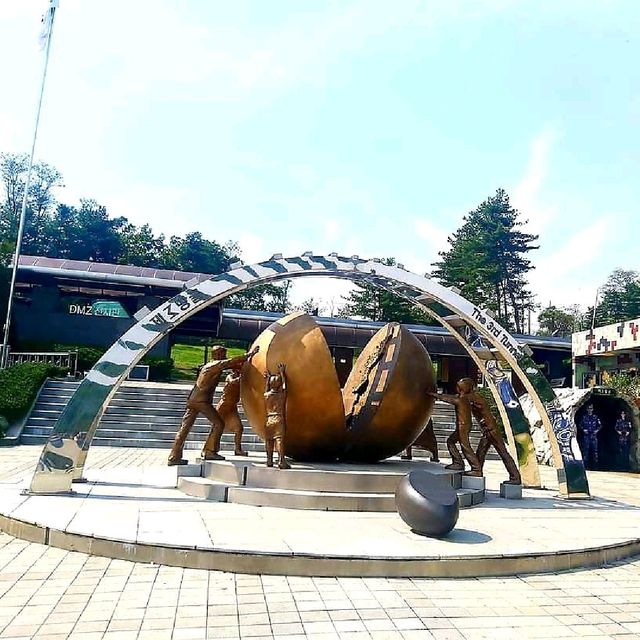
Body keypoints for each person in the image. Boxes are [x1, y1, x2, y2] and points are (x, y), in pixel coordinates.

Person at [168, 345, 259, 466]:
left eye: (224, 354)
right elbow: (229, 362)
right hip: (202, 401)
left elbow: (231, 364)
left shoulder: (210, 366)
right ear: (216, 355)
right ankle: (209, 451)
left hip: (193, 400)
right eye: (222, 354)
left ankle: (174, 456)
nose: (224, 356)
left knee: (184, 428)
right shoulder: (214, 365)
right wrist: (249, 354)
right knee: (219, 423)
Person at [467, 385, 521, 485]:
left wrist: (438, 396)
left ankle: (515, 477)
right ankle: (477, 470)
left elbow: (460, 400)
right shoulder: (473, 397)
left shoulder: (474, 397)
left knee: (503, 453)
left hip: (491, 430)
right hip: (487, 430)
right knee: (481, 451)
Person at [428, 378, 482, 476]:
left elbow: (448, 399)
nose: (456, 388)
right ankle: (458, 462)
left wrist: (433, 394)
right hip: (463, 425)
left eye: (458, 386)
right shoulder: (463, 398)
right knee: (451, 441)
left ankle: (476, 468)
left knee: (465, 446)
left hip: (463, 426)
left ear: (462, 389)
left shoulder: (461, 399)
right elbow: (450, 397)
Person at [201, 368, 247, 459]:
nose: (238, 371)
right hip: (224, 406)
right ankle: (207, 450)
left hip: (232, 407)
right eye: (237, 370)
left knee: (239, 428)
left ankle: (238, 449)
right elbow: (232, 382)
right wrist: (243, 377)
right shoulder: (230, 377)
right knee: (217, 428)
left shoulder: (241, 380)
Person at [263, 363, 290, 469]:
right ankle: (281, 460)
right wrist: (282, 373)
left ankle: (269, 460)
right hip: (278, 418)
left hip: (269, 419)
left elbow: (266, 390)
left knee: (269, 440)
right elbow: (285, 386)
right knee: (279, 440)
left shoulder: (266, 396)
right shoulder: (281, 395)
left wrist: (268, 379)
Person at [578, 404, 602, 469]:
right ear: (587, 409)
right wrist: (583, 430)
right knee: (586, 451)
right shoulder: (584, 417)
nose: (590, 410)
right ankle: (585, 467)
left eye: (591, 408)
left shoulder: (595, 417)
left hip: (593, 436)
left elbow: (600, 425)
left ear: (592, 409)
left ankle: (595, 467)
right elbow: (580, 425)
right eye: (588, 408)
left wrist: (596, 430)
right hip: (586, 436)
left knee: (595, 452)